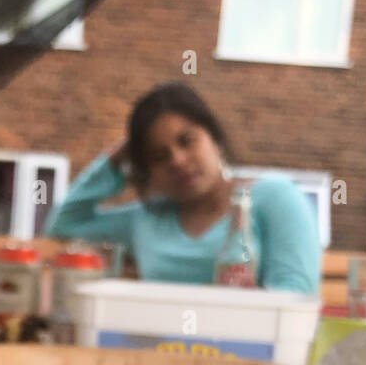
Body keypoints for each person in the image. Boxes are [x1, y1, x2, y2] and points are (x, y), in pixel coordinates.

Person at [46, 82, 321, 291]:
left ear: (214, 137)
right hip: (161, 347)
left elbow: (294, 295)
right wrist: (116, 157)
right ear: (148, 172)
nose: (177, 161)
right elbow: (64, 226)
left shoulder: (273, 198)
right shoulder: (146, 219)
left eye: (187, 141)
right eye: (159, 156)